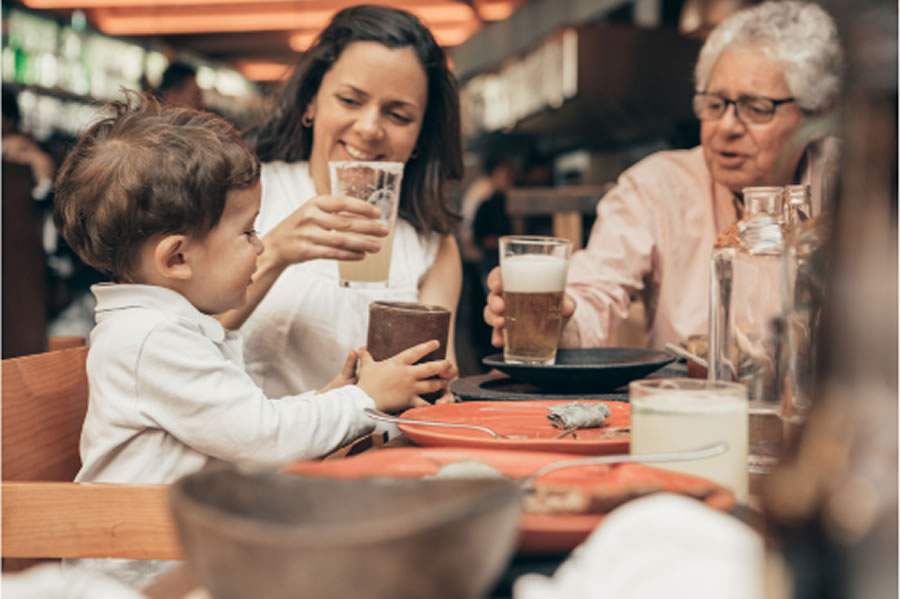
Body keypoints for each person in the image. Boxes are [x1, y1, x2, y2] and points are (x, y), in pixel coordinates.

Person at [53, 93, 453, 587]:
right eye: (248, 233)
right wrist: (363, 399)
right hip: (139, 575)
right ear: (177, 259)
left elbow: (239, 424)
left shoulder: (167, 325)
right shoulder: (151, 338)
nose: (263, 246)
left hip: (178, 551)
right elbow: (262, 438)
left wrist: (332, 396)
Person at [483, 0, 842, 350]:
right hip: (689, 401)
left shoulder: (852, 184)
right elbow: (595, 290)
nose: (727, 127)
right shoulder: (657, 187)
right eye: (714, 105)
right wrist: (561, 319)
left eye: (758, 108)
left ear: (813, 115)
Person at [225, 5, 463, 399]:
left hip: (378, 454)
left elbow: (439, 388)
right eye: (351, 101)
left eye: (398, 115)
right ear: (311, 103)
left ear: (421, 135)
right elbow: (181, 343)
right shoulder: (246, 195)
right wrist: (277, 252)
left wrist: (442, 388)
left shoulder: (431, 245)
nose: (369, 129)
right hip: (253, 456)